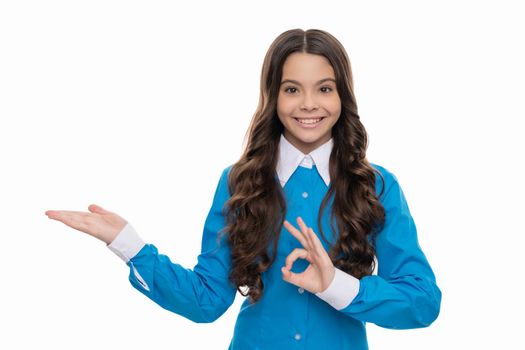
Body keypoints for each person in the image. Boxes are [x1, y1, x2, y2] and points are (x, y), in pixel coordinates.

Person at [45, 28, 441, 349]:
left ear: (343, 95)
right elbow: (206, 300)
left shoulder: (376, 185)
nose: (308, 104)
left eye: (324, 88)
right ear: (273, 96)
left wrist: (337, 285)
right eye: (291, 89)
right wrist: (128, 244)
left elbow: (422, 302)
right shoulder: (238, 182)